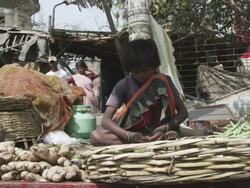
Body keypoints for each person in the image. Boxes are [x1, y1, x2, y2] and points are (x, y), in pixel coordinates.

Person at [90, 39, 188, 146]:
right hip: (134, 132)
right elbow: (105, 121)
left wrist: (165, 127)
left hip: (161, 129)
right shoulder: (123, 85)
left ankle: (161, 137)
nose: (141, 74)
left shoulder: (164, 81)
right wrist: (128, 135)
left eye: (145, 70)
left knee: (172, 133)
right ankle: (152, 140)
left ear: (154, 66)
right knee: (96, 136)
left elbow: (183, 112)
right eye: (136, 72)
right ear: (130, 70)